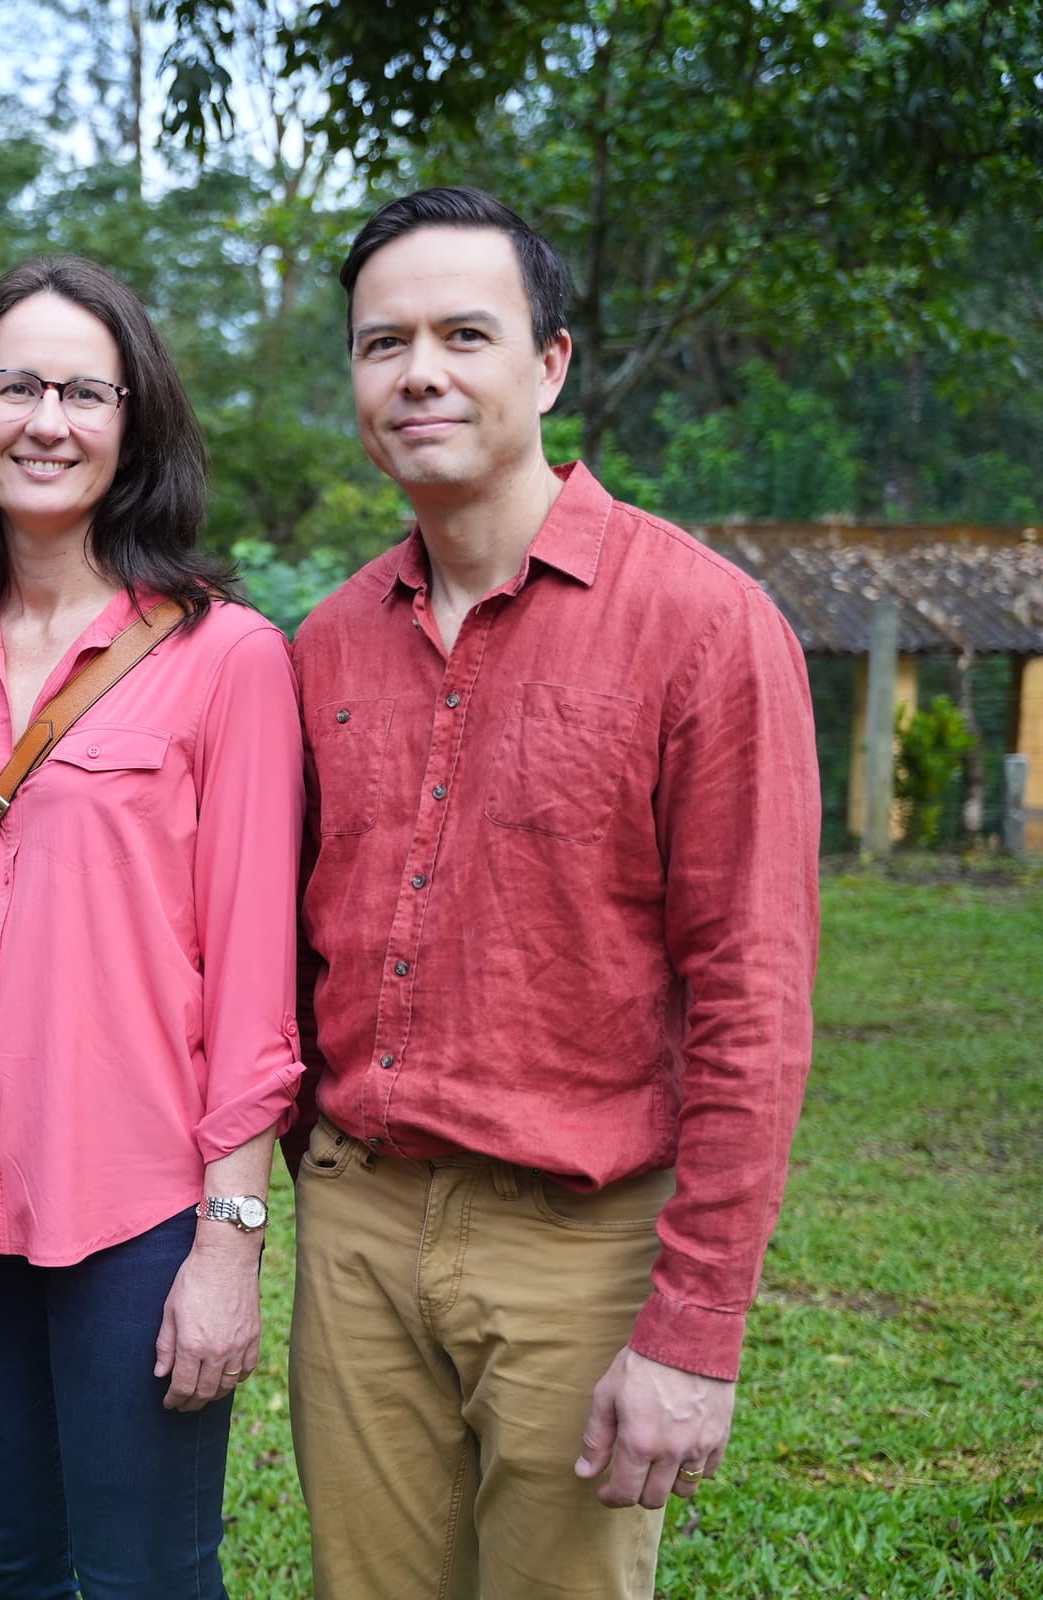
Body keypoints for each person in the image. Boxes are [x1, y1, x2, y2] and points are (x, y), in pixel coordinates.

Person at [287, 186, 820, 1599]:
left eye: (466, 332)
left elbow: (752, 1004)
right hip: (357, 1225)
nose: (420, 373)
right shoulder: (325, 645)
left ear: (551, 362)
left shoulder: (704, 627)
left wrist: (694, 1333)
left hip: (578, 1243)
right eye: (381, 342)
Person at [0, 255, 305, 1599]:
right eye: (17, 385)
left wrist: (229, 1247)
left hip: (137, 1209)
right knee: (0, 1569)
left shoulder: (226, 656)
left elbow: (254, 975)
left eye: (84, 389)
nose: (47, 421)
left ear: (134, 424)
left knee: (146, 1578)